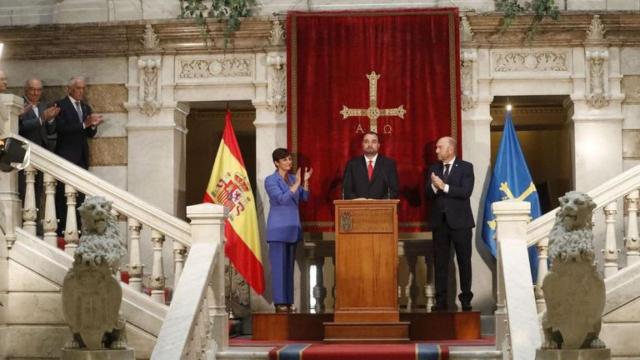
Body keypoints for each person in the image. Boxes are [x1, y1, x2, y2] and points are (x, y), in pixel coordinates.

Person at [426, 136, 475, 312]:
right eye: (436, 147)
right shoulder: (434, 168)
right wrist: (433, 186)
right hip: (440, 224)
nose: (436, 150)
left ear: (451, 149)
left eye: (440, 147)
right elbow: (428, 194)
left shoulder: (466, 167)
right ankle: (441, 301)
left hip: (461, 223)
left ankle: (466, 299)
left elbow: (466, 192)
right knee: (440, 263)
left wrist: (443, 186)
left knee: (464, 262)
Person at [53, 76, 103, 236]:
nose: (82, 91)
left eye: (83, 88)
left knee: (80, 196)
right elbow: (60, 129)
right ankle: (62, 230)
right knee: (63, 195)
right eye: (78, 88)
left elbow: (88, 133)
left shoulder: (85, 107)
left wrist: (93, 126)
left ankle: (78, 230)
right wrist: (83, 124)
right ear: (70, 89)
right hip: (65, 156)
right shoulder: (60, 105)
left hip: (81, 157)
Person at [265, 148, 312, 312]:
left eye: (290, 160)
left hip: (292, 228)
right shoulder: (270, 180)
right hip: (278, 229)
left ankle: (288, 301)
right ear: (277, 163)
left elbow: (305, 198)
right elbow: (281, 200)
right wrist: (297, 184)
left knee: (289, 269)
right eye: (284, 160)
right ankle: (279, 303)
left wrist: (305, 182)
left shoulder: (293, 178)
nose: (289, 163)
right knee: (279, 268)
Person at [18, 78, 60, 232]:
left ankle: (35, 226)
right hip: (23, 156)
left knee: (38, 192)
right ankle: (23, 226)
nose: (36, 93)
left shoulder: (43, 106)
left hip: (41, 156)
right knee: (24, 191)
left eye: (39, 90)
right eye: (32, 90)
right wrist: (42, 118)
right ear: (25, 89)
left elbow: (50, 131)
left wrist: (50, 120)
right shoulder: (19, 104)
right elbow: (20, 127)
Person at [342, 131, 399, 199]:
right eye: (366, 141)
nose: (370, 145)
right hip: (358, 207)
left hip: (382, 208)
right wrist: (357, 200)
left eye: (373, 142)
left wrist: (378, 202)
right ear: (362, 144)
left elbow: (394, 191)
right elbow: (346, 190)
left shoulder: (388, 164)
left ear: (378, 145)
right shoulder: (352, 164)